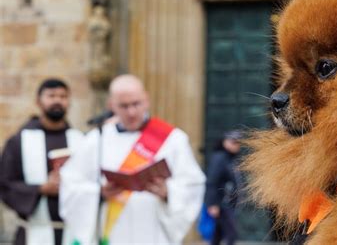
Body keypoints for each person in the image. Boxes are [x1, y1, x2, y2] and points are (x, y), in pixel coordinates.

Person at [60, 74, 206, 244]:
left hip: (154, 231)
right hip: (112, 232)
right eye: (123, 106)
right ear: (111, 105)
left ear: (147, 99)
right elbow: (70, 184)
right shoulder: (96, 139)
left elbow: (193, 184)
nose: (131, 112)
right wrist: (99, 192)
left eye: (136, 104)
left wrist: (168, 192)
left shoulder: (173, 139)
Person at [0, 78, 84, 245]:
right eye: (51, 95)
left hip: (73, 232)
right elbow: (5, 184)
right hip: (34, 231)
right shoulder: (19, 141)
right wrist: (41, 189)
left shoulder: (81, 141)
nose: (57, 100)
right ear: (38, 102)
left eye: (63, 96)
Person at [204, 130, 242, 245]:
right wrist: (212, 204)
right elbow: (212, 181)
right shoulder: (220, 158)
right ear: (225, 142)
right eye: (233, 142)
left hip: (227, 203)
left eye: (238, 142)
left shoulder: (230, 159)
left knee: (218, 234)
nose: (236, 145)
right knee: (231, 234)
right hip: (222, 203)